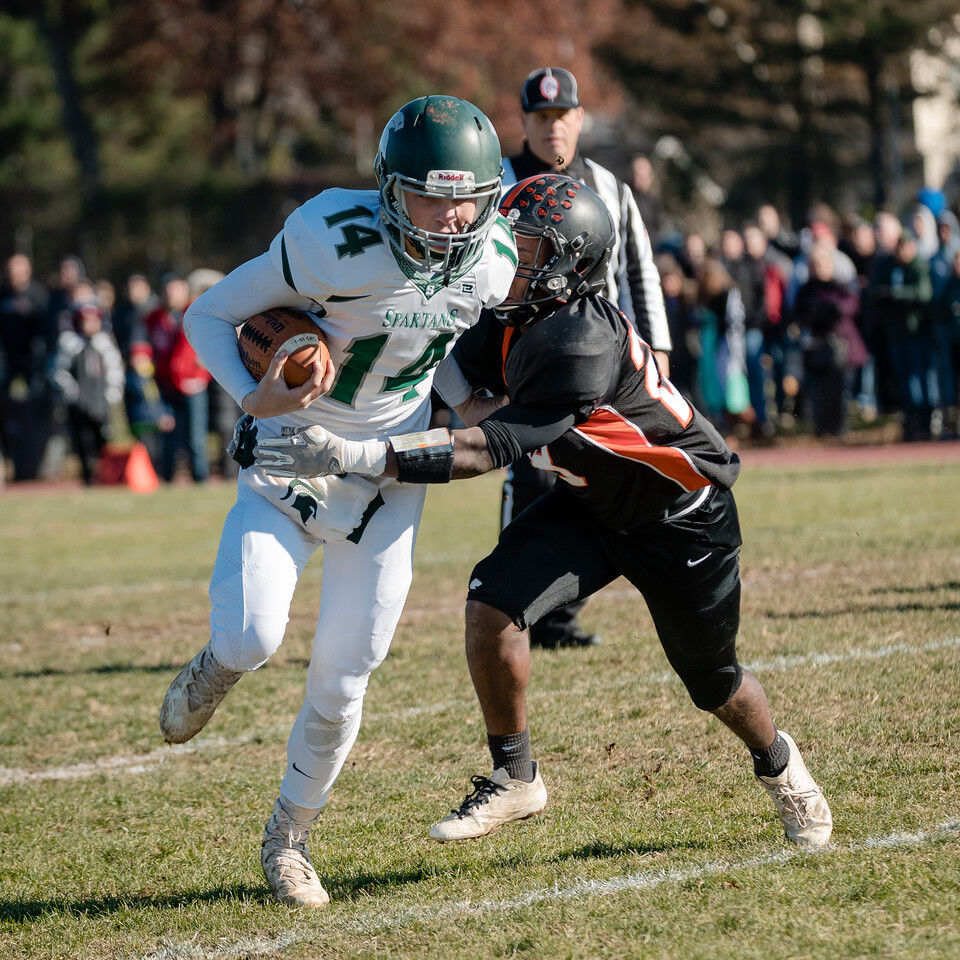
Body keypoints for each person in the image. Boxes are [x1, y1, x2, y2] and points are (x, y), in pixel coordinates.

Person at [255, 173, 832, 852]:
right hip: (591, 502)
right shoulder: (511, 314)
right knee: (491, 604)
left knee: (713, 683)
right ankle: (515, 776)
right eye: (503, 236)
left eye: (524, 247)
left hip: (679, 517)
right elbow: (440, 362)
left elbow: (486, 447)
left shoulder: (578, 343)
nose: (503, 256)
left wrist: (356, 454)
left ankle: (780, 764)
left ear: (570, 265)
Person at [158, 96, 516, 909]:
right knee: (252, 635)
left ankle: (288, 838)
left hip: (386, 474)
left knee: (344, 675)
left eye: (468, 199)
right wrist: (254, 397)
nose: (452, 219)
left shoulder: (493, 259)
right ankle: (217, 664)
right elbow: (209, 313)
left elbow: (427, 337)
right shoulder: (329, 238)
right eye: (429, 197)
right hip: (294, 450)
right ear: (389, 190)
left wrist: (466, 400)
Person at [498, 66, 672, 649]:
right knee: (530, 478)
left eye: (562, 116)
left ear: (578, 119)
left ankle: (560, 618)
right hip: (525, 358)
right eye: (541, 116)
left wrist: (657, 346)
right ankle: (513, 606)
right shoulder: (498, 184)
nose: (553, 127)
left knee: (598, 480)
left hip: (602, 361)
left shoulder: (609, 185)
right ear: (524, 121)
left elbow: (638, 270)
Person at [134, 274, 211, 481]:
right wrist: (141, 357)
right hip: (166, 385)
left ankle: (200, 478)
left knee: (196, 437)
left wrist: (206, 364)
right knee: (168, 434)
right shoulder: (153, 318)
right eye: (168, 291)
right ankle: (167, 478)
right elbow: (141, 345)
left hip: (193, 384)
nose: (172, 295)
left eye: (176, 290)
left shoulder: (197, 312)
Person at [48, 302, 124, 483]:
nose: (90, 325)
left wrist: (112, 393)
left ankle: (103, 475)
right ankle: (87, 476)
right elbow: (57, 371)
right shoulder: (70, 344)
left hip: (100, 401)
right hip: (79, 403)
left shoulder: (104, 343)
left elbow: (115, 369)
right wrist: (72, 392)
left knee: (103, 439)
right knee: (81, 440)